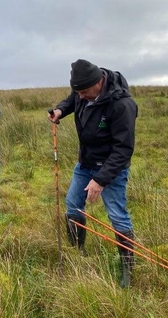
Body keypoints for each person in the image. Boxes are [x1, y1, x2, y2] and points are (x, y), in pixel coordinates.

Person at [48, 59, 137, 288]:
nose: (81, 97)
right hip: (85, 162)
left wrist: (100, 180)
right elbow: (72, 100)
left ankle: (127, 268)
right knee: (73, 205)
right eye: (78, 92)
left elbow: (123, 149)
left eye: (85, 92)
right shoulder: (81, 90)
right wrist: (60, 110)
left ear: (99, 82)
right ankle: (77, 254)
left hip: (110, 168)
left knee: (117, 214)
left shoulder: (122, 105)